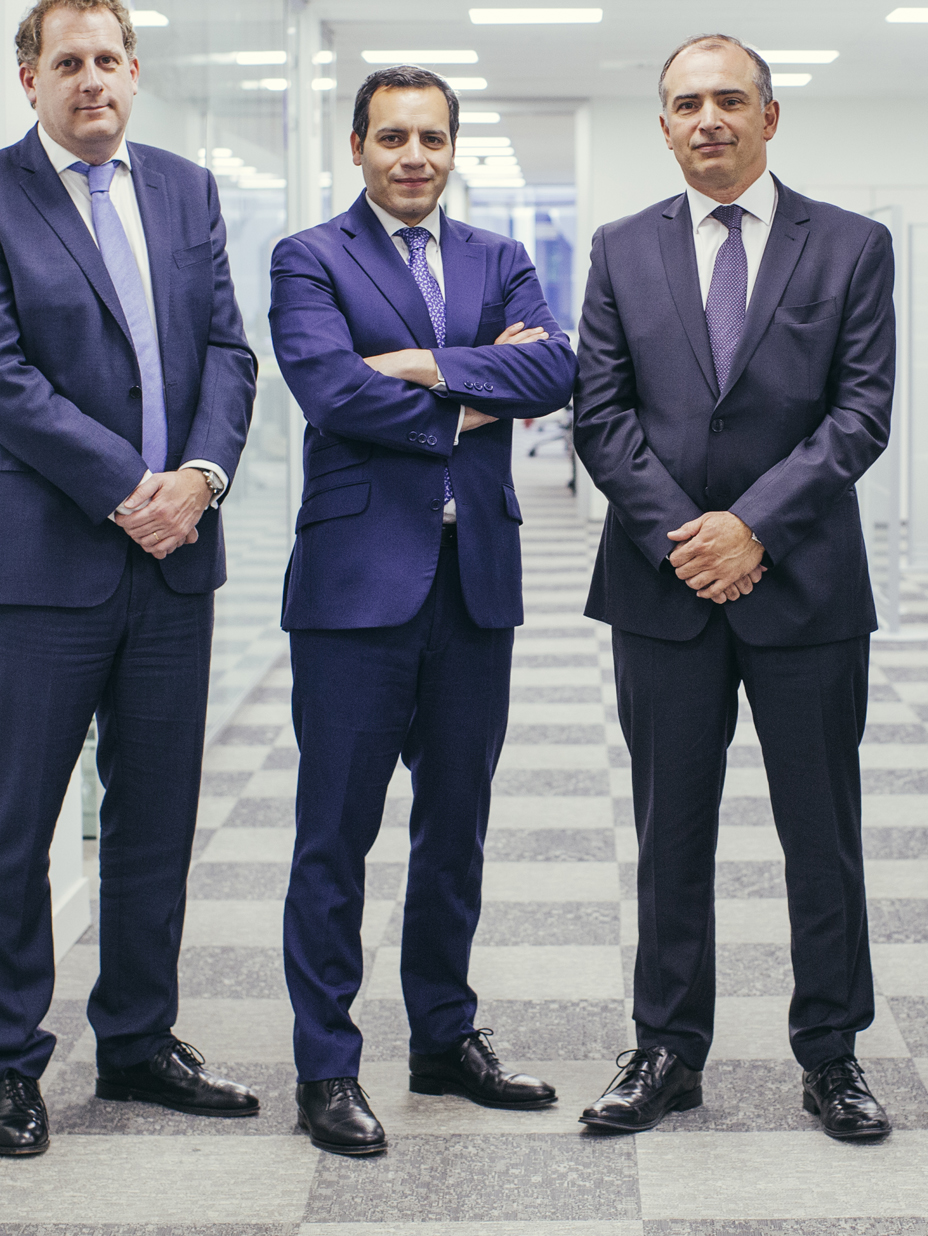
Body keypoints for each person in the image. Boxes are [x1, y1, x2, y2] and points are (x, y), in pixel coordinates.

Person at [0, 0, 260, 1157]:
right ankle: (9, 1061)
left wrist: (201, 478)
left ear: (134, 72)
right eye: (67, 63)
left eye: (108, 60)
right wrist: (133, 488)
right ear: (32, 78)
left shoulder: (185, 190)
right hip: (36, 564)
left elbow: (227, 348)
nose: (91, 81)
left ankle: (136, 1039)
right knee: (14, 822)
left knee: (156, 816)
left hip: (174, 558)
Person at [572, 34, 897, 1140]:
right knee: (669, 831)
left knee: (823, 831)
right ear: (663, 126)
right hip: (662, 587)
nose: (706, 119)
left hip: (804, 584)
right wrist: (689, 538)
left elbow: (862, 412)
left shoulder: (849, 244)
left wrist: (753, 527)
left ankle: (833, 1053)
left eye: (727, 100)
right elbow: (600, 415)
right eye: (684, 104)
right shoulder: (621, 248)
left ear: (769, 115)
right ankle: (667, 1048)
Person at [268, 67, 578, 1156]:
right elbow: (330, 389)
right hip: (355, 585)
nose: (413, 156)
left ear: (453, 147)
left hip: (473, 581)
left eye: (432, 138)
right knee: (334, 836)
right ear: (357, 145)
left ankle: (444, 1037)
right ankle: (327, 1065)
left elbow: (556, 374)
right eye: (392, 137)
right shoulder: (310, 256)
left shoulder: (500, 257)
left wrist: (414, 365)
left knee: (456, 828)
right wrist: (469, 393)